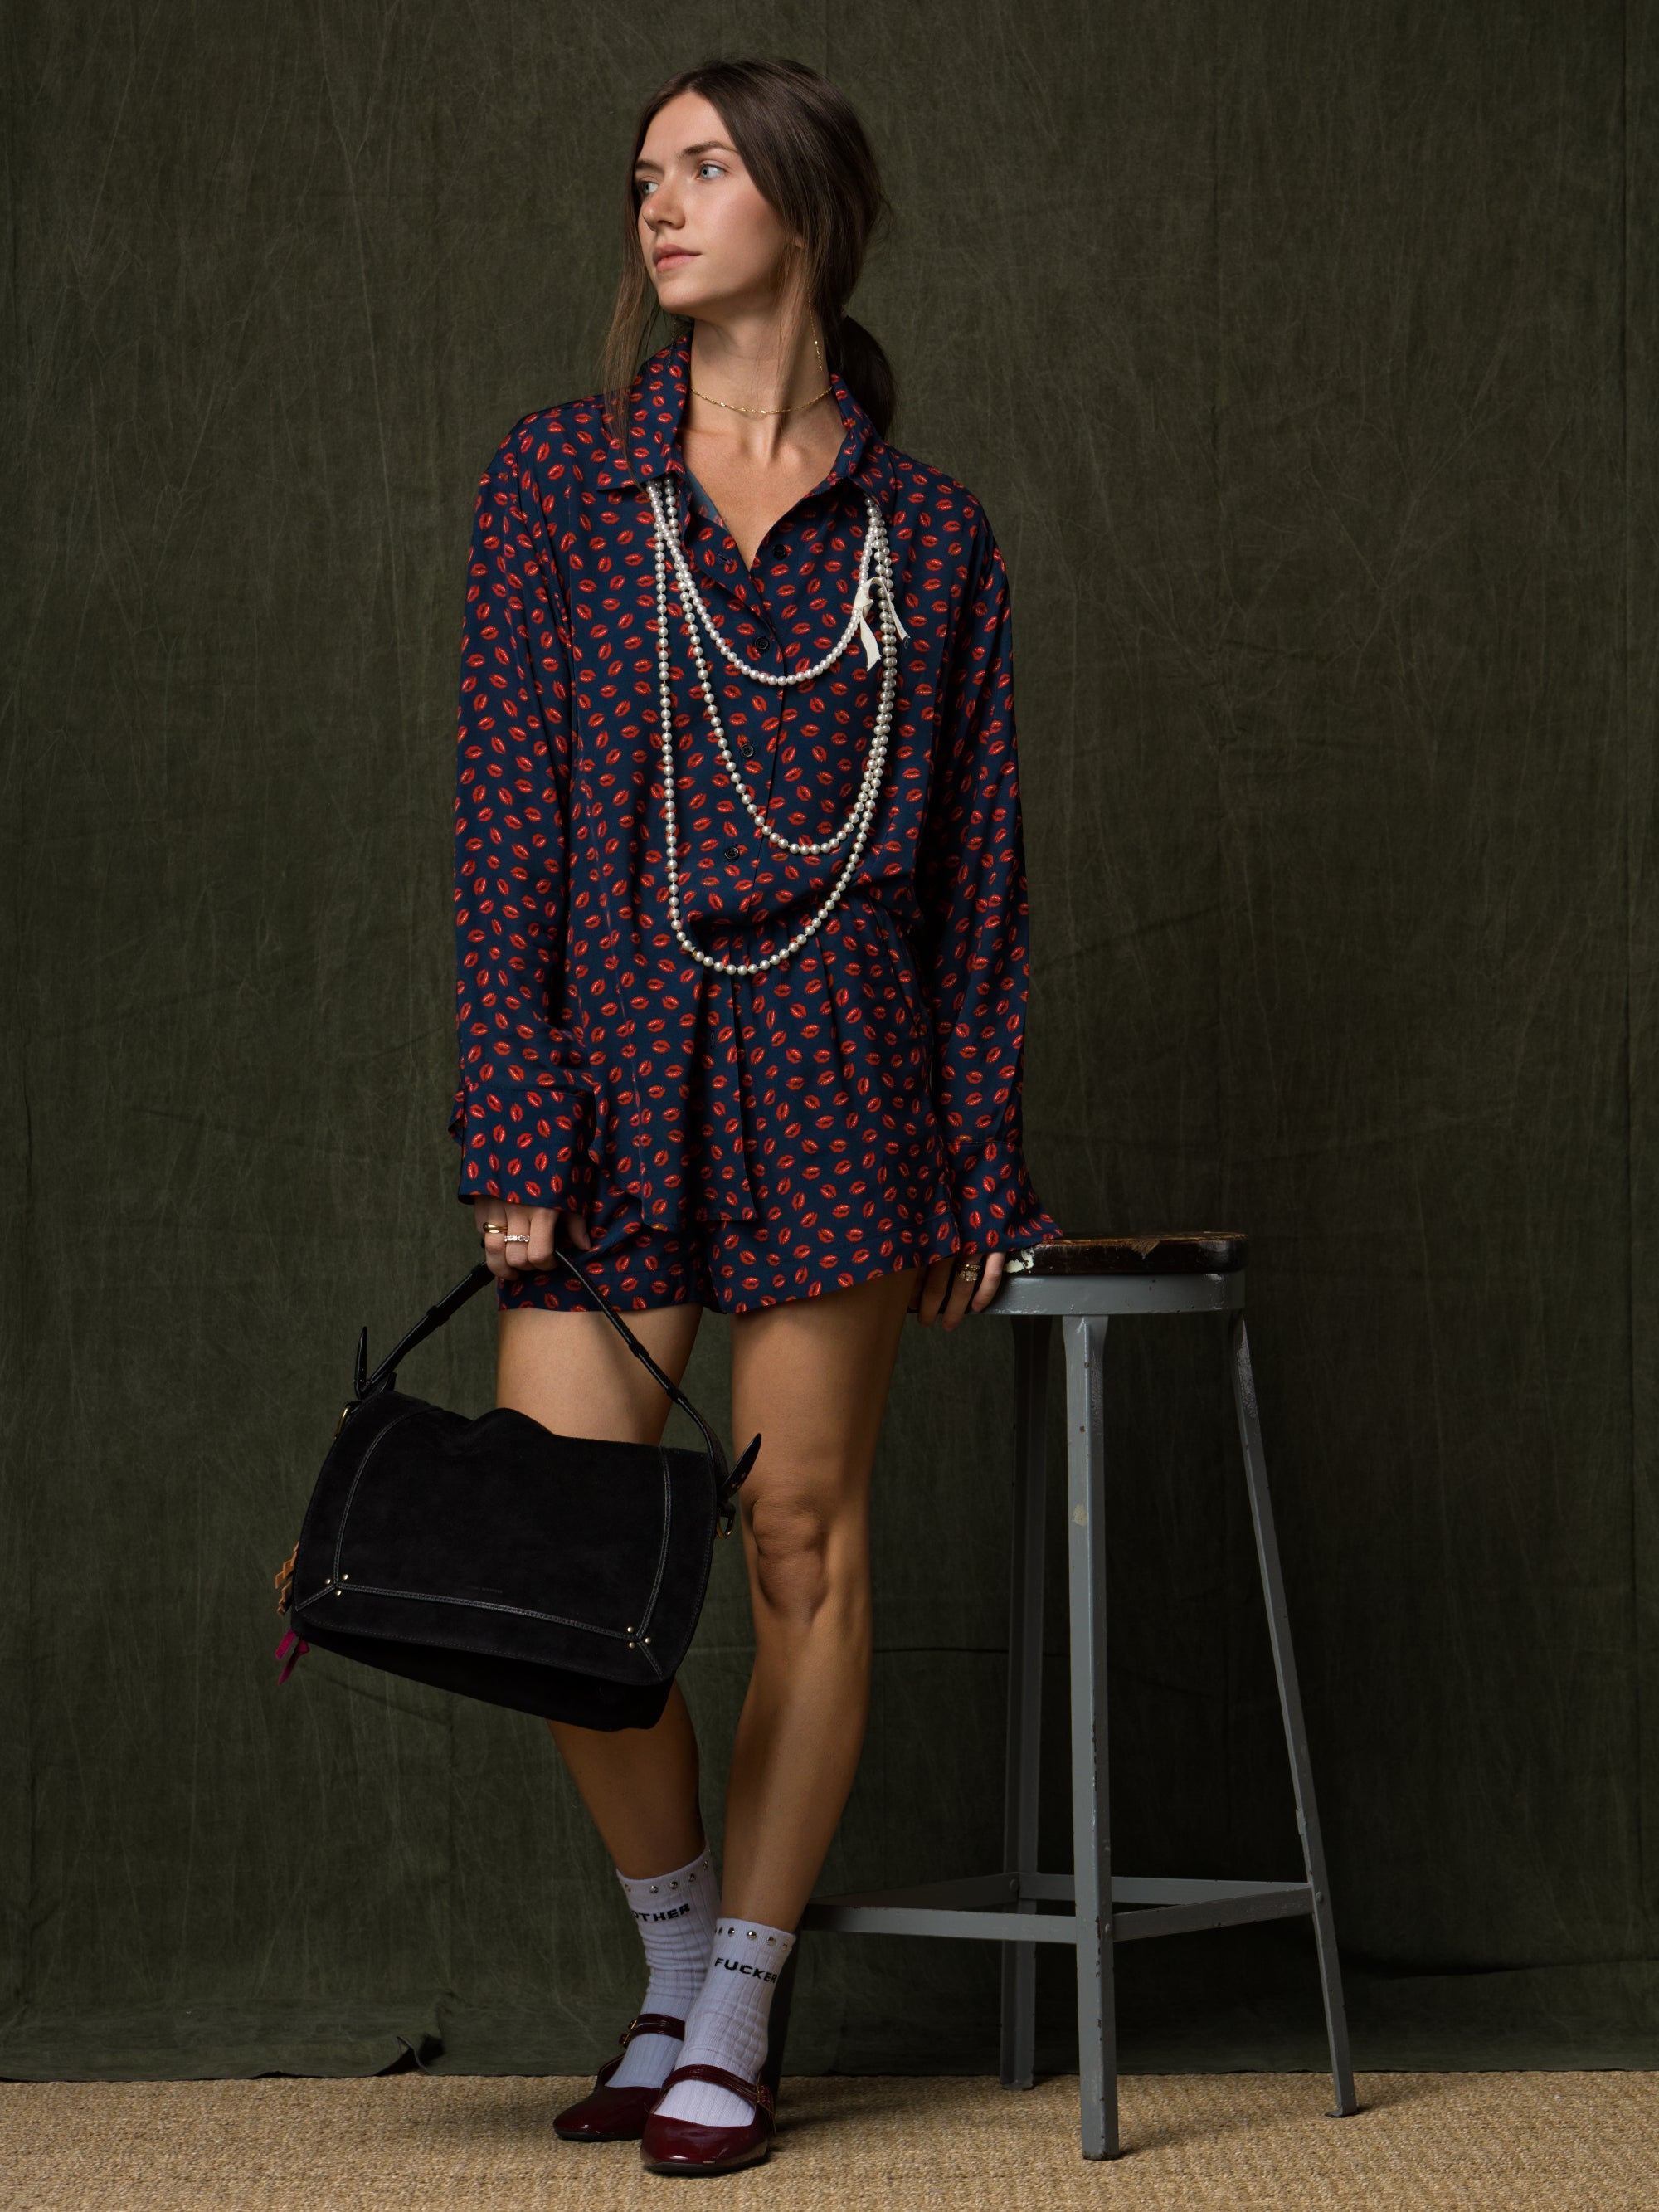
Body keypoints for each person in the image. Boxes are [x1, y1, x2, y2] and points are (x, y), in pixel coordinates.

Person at [448, 55, 1064, 2178]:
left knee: (803, 1544)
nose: (660, 205)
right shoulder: (556, 487)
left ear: (805, 202)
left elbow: (978, 884)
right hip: (606, 1076)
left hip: (840, 1078)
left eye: (704, 168)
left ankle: (735, 2012)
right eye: (644, 175)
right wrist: (512, 1110)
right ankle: (675, 1943)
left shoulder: (935, 538)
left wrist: (979, 1153)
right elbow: (504, 825)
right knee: (552, 1560)